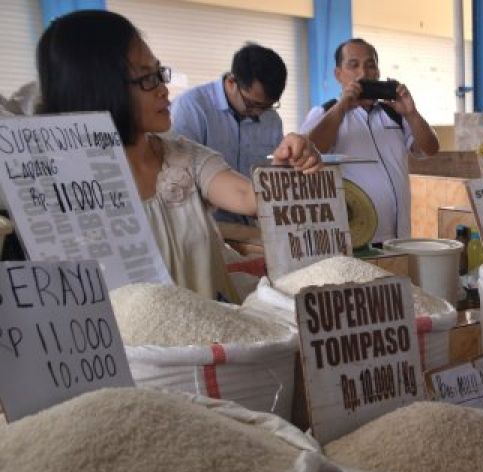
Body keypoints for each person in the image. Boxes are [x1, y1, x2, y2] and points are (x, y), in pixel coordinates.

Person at [36, 10, 319, 301]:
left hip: (208, 338)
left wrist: (287, 167)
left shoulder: (184, 158)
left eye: (159, 73)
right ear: (97, 89)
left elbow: (248, 196)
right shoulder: (57, 184)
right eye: (146, 80)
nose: (163, 89)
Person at [302, 38, 439, 244]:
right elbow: (308, 151)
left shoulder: (395, 113)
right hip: (354, 240)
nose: (363, 73)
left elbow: (431, 149)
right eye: (353, 65)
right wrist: (341, 108)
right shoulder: (324, 112)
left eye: (370, 65)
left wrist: (411, 113)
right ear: (338, 74)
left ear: (378, 72)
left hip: (399, 237)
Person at [170, 44, 287, 183]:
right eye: (253, 104)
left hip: (253, 203)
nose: (259, 113)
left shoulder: (271, 118)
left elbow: (274, 169)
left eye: (268, 106)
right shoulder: (192, 108)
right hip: (206, 203)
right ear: (231, 82)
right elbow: (181, 174)